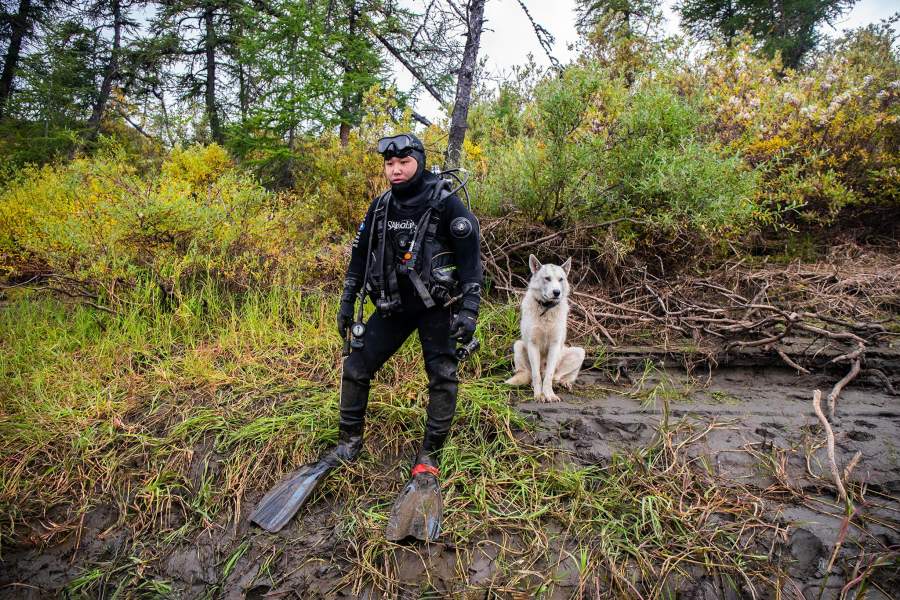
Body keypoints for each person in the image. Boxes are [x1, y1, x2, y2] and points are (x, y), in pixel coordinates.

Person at [250, 133, 483, 540]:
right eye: (389, 164)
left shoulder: (447, 204)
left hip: (435, 307)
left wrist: (469, 311)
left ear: (420, 161)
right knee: (356, 365)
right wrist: (346, 300)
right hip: (393, 307)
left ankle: (429, 459)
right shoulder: (381, 207)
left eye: (404, 162)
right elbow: (359, 257)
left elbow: (470, 261)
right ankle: (348, 442)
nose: (395, 170)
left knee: (442, 375)